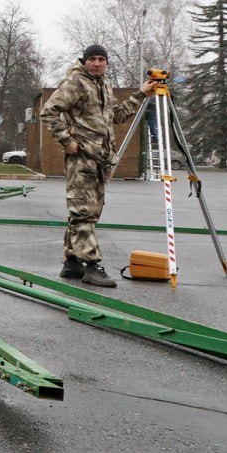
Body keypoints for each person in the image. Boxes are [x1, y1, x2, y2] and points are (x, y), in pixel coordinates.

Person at [40, 44, 155, 287]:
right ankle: (92, 266)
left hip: (100, 159)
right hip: (81, 158)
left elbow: (117, 116)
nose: (97, 63)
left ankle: (72, 261)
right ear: (84, 61)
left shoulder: (102, 85)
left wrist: (141, 94)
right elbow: (49, 112)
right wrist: (67, 141)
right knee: (83, 212)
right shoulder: (76, 82)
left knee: (88, 212)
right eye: (92, 59)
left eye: (101, 59)